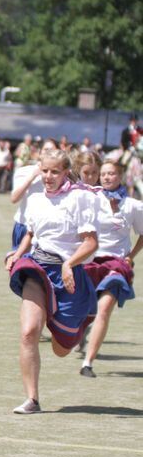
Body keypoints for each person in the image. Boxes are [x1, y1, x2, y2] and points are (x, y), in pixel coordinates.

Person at [5, 148, 98, 414]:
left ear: (66, 172)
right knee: (29, 332)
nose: (48, 176)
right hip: (37, 268)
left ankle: (76, 327)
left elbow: (91, 243)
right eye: (44, 171)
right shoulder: (35, 199)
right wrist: (17, 254)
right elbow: (30, 233)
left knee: (62, 348)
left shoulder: (80, 198)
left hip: (69, 274)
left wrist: (69, 263)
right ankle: (32, 399)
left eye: (55, 171)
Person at [79, 161, 143, 377]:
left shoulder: (133, 205)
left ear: (120, 176)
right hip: (91, 261)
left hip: (117, 264)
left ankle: (87, 363)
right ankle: (82, 330)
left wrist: (130, 256)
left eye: (112, 173)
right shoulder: (91, 200)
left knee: (104, 309)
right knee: (85, 311)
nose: (106, 177)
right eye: (104, 174)